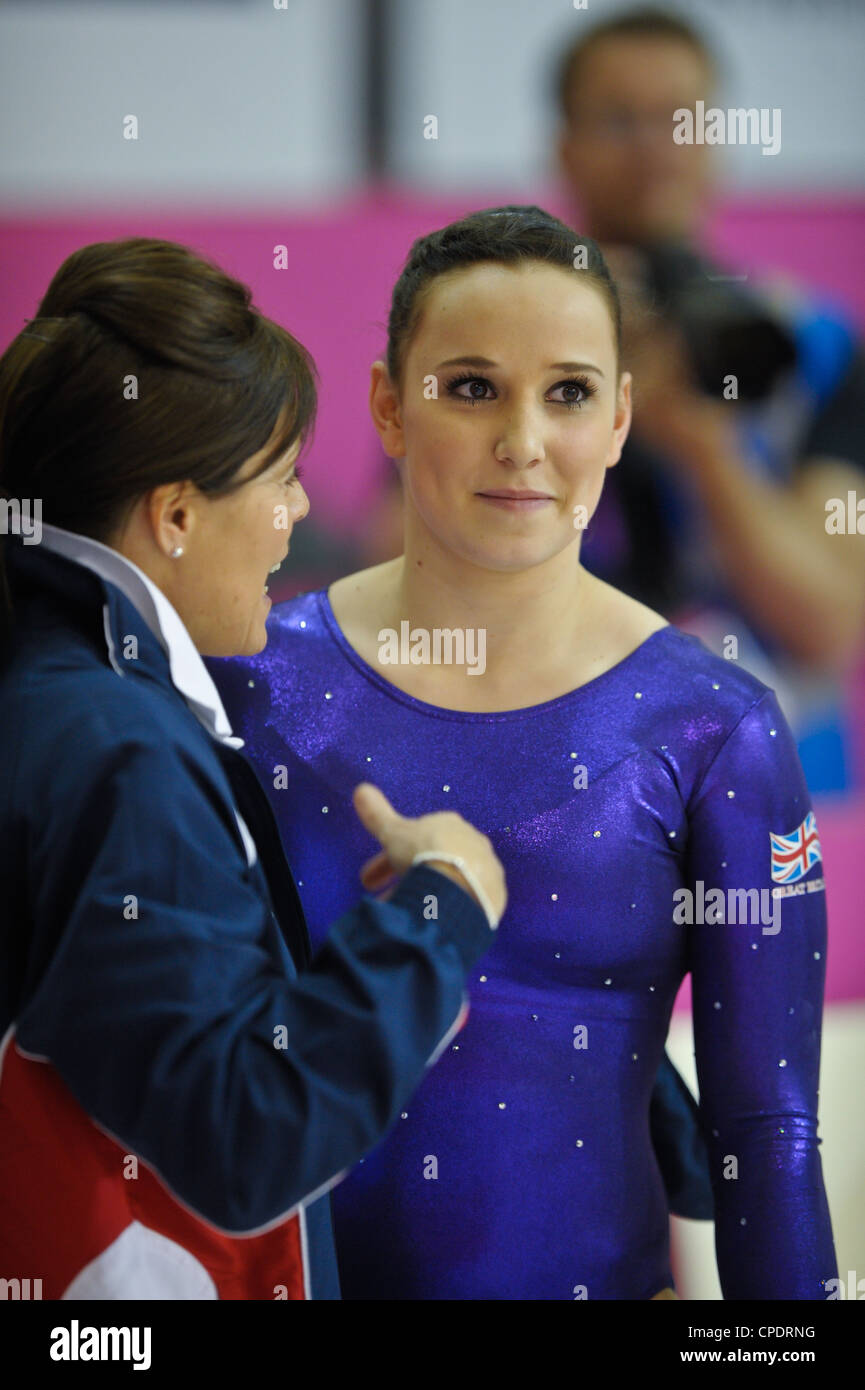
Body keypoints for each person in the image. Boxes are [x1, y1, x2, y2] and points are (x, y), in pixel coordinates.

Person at [212, 206, 838, 1300]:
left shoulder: (713, 727)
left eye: (569, 392)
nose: (522, 441)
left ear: (620, 416)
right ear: (387, 407)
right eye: (469, 387)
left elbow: (765, 1128)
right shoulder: (252, 687)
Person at [0, 236, 507, 1300]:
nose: (302, 512)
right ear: (176, 514)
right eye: (281, 475)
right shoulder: (118, 746)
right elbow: (244, 1139)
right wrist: (441, 907)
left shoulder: (50, 692)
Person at [554, 6, 865, 793]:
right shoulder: (510, 342)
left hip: (784, 789)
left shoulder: (805, 344)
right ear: (564, 147)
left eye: (680, 118)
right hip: (571, 784)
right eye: (619, 119)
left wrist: (700, 442)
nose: (655, 147)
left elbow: (825, 625)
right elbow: (415, 576)